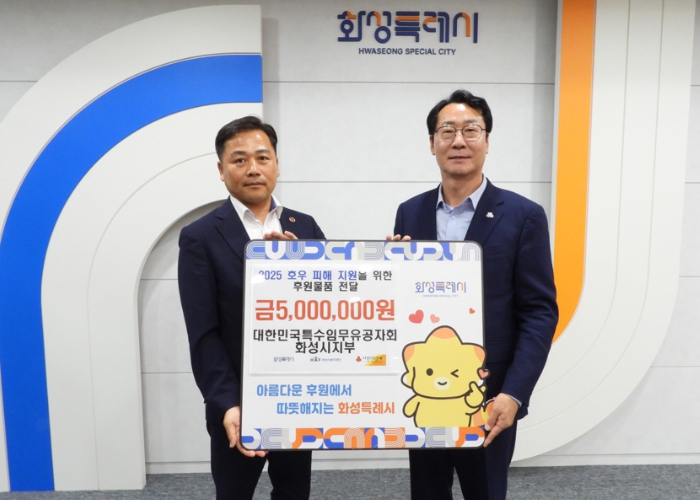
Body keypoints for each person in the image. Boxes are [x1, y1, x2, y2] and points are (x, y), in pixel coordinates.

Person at [389, 90, 558, 500]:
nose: (458, 141)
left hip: (489, 396)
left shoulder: (523, 216)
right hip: (425, 391)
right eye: (447, 131)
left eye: (471, 130)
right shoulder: (410, 211)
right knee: (427, 492)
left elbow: (539, 312)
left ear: (487, 141)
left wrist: (514, 393)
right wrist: (388, 271)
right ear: (432, 143)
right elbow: (404, 304)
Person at [178, 116, 325, 500]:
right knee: (233, 493)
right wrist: (227, 404)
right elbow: (203, 332)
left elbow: (328, 309)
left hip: (296, 396)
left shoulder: (305, 227)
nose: (253, 168)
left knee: (294, 493)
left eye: (262, 157)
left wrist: (299, 270)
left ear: (277, 164)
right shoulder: (199, 236)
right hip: (237, 403)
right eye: (239, 159)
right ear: (221, 170)